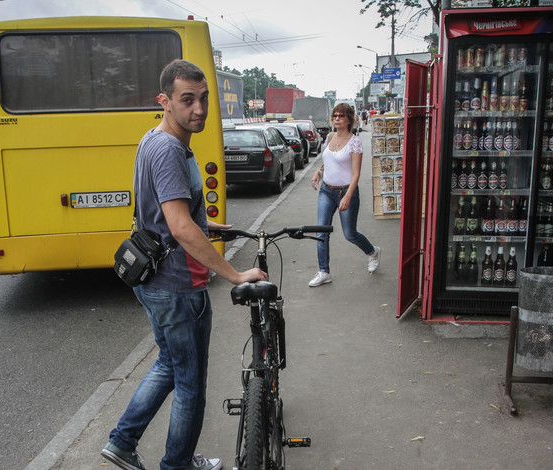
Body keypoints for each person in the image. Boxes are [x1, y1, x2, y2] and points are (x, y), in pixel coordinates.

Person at [101, 59, 267, 470]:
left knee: (169, 366)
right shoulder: (171, 151)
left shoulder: (153, 140)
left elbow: (168, 215)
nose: (199, 109)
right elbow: (177, 227)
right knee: (190, 385)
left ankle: (122, 443)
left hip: (156, 279)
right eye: (187, 100)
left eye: (204, 99)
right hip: (176, 286)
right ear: (165, 101)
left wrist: (208, 225)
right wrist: (234, 274)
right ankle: (177, 465)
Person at [308, 103, 380, 287]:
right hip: (326, 191)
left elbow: (356, 173)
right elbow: (329, 159)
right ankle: (324, 272)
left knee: (350, 234)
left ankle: (372, 252)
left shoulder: (354, 142)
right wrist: (319, 171)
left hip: (345, 191)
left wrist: (347, 196)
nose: (337, 118)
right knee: (321, 232)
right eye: (335, 115)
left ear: (349, 119)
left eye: (341, 116)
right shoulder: (330, 137)